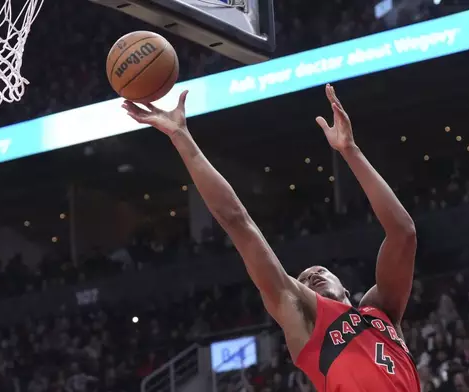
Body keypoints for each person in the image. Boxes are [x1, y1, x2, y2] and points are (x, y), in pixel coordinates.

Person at [122, 84, 419, 391]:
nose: (312, 274)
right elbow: (237, 221)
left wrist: (350, 151)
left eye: (319, 271)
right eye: (303, 279)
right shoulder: (305, 321)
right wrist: (181, 137)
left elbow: (403, 233)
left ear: (345, 286)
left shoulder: (381, 310)